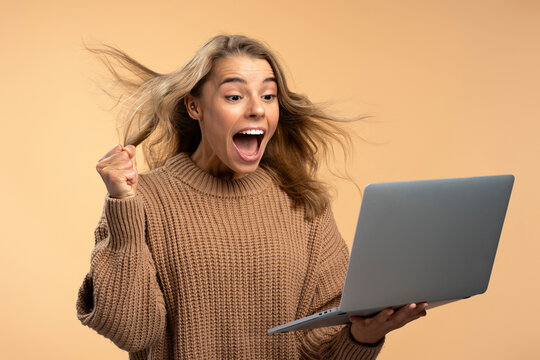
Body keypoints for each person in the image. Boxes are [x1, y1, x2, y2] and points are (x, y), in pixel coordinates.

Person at [76, 34, 427, 359]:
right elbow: (132, 331)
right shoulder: (141, 199)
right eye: (234, 96)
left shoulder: (302, 203)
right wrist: (123, 207)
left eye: (268, 95)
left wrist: (362, 337)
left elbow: (319, 347)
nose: (257, 108)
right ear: (194, 106)